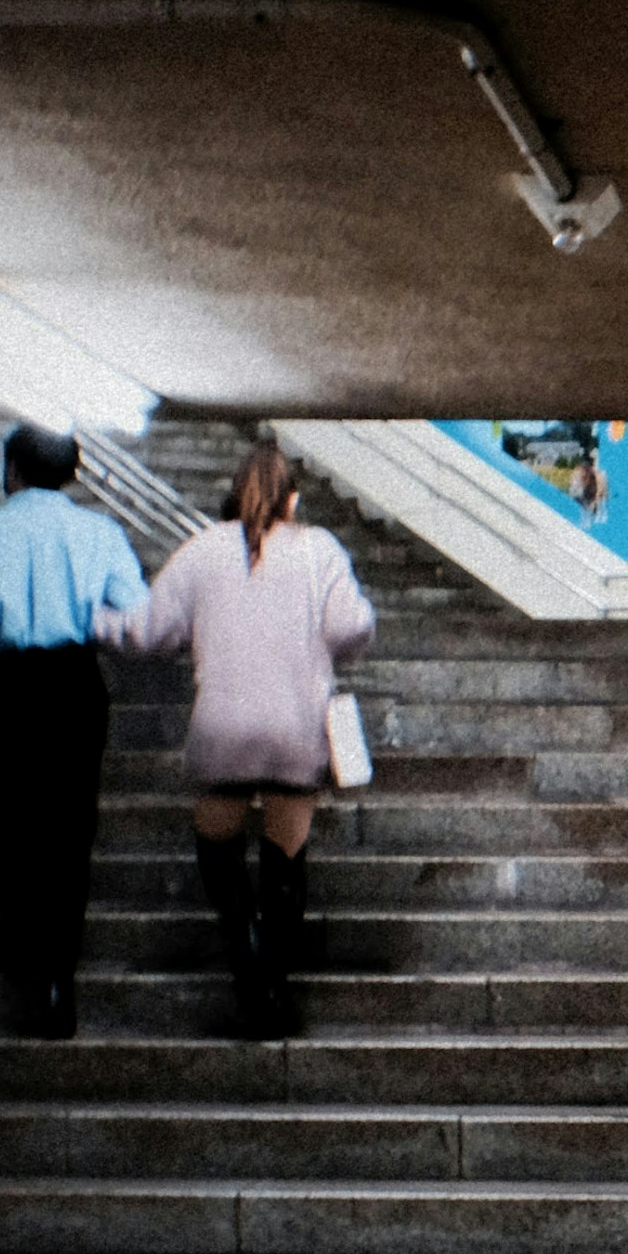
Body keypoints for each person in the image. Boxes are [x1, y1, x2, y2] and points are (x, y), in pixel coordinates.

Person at [111, 439, 375, 1038]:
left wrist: (97, 621)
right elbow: (351, 626)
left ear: (232, 496)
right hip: (293, 732)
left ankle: (248, 965)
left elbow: (149, 632)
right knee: (285, 859)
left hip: (222, 730)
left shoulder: (201, 551)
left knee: (218, 852)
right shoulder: (317, 550)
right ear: (293, 499)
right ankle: (274, 989)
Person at [0, 424, 148, 1040]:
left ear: (12, 470)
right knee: (70, 830)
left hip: (9, 690)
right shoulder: (102, 534)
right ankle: (61, 977)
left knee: (18, 822)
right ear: (73, 474)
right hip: (74, 687)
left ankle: (24, 961)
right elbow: (136, 615)